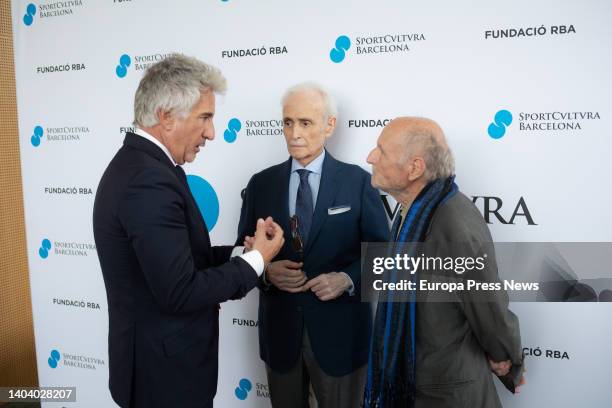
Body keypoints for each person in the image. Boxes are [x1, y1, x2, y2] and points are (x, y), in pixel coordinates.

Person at [93, 54, 284, 408]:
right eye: (205, 118)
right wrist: (258, 260)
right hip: (163, 380)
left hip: (164, 370)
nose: (211, 132)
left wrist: (242, 252)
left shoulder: (149, 168)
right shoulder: (147, 180)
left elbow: (183, 259)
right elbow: (180, 291)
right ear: (166, 117)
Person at [236, 82, 389, 407]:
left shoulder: (358, 181)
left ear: (329, 125)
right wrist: (265, 271)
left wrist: (347, 279)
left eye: (305, 123)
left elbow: (384, 254)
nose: (294, 133)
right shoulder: (261, 184)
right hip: (281, 338)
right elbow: (242, 250)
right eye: (288, 122)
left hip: (342, 340)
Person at [363, 117, 525, 408]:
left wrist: (505, 357)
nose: (370, 157)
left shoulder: (453, 221)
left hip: (445, 392)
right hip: (418, 383)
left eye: (381, 150)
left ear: (415, 168)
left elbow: (487, 301)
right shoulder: (412, 211)